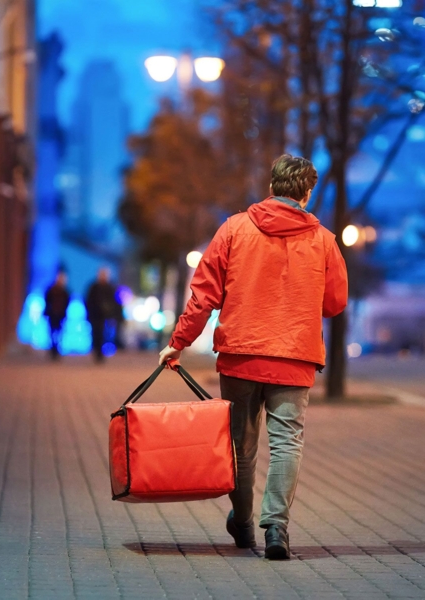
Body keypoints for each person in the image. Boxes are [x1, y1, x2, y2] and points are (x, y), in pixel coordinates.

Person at [159, 154, 348, 559]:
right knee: (287, 443)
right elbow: (335, 302)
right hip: (295, 357)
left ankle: (242, 524)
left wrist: (179, 341)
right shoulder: (324, 241)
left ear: (271, 187)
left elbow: (204, 294)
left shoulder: (234, 229)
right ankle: (276, 528)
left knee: (241, 446)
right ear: (307, 193)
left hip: (241, 354)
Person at [85, 267, 122, 363]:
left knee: (104, 335)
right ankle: (97, 352)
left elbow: (115, 303)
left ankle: (101, 353)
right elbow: (88, 301)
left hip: (105, 317)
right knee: (95, 334)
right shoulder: (93, 287)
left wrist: (113, 316)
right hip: (95, 316)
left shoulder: (110, 288)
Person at [44, 271, 71, 360]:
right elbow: (47, 302)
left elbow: (67, 303)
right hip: (53, 314)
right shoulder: (52, 291)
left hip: (60, 315)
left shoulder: (65, 291)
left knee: (59, 333)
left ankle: (57, 349)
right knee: (52, 332)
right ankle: (53, 349)